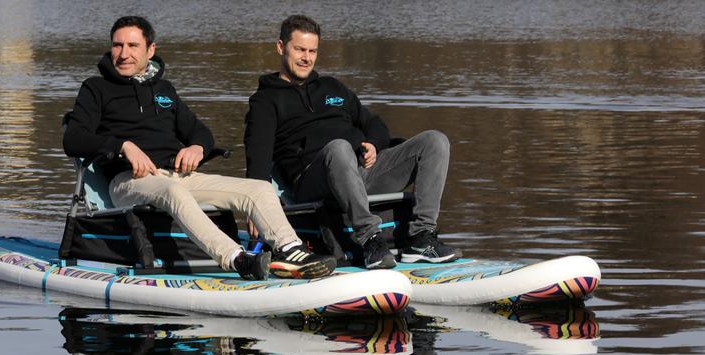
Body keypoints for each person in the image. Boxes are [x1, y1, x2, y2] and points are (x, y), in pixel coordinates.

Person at [63, 16, 335, 280]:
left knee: (258, 189)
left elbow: (200, 132)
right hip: (129, 182)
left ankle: (292, 251)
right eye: (117, 45)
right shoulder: (95, 89)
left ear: (150, 50)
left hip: (178, 176)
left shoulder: (164, 90)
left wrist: (197, 148)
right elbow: (73, 139)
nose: (124, 54)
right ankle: (237, 259)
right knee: (174, 190)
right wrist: (123, 146)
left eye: (133, 46)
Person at [244, 15, 461, 269]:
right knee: (339, 148)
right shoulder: (264, 101)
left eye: (313, 51)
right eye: (300, 49)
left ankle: (421, 238)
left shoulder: (332, 88)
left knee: (434, 141)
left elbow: (375, 124)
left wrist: (374, 144)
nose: (307, 58)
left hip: (361, 172)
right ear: (281, 47)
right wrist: (255, 208)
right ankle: (370, 240)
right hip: (312, 180)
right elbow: (257, 158)